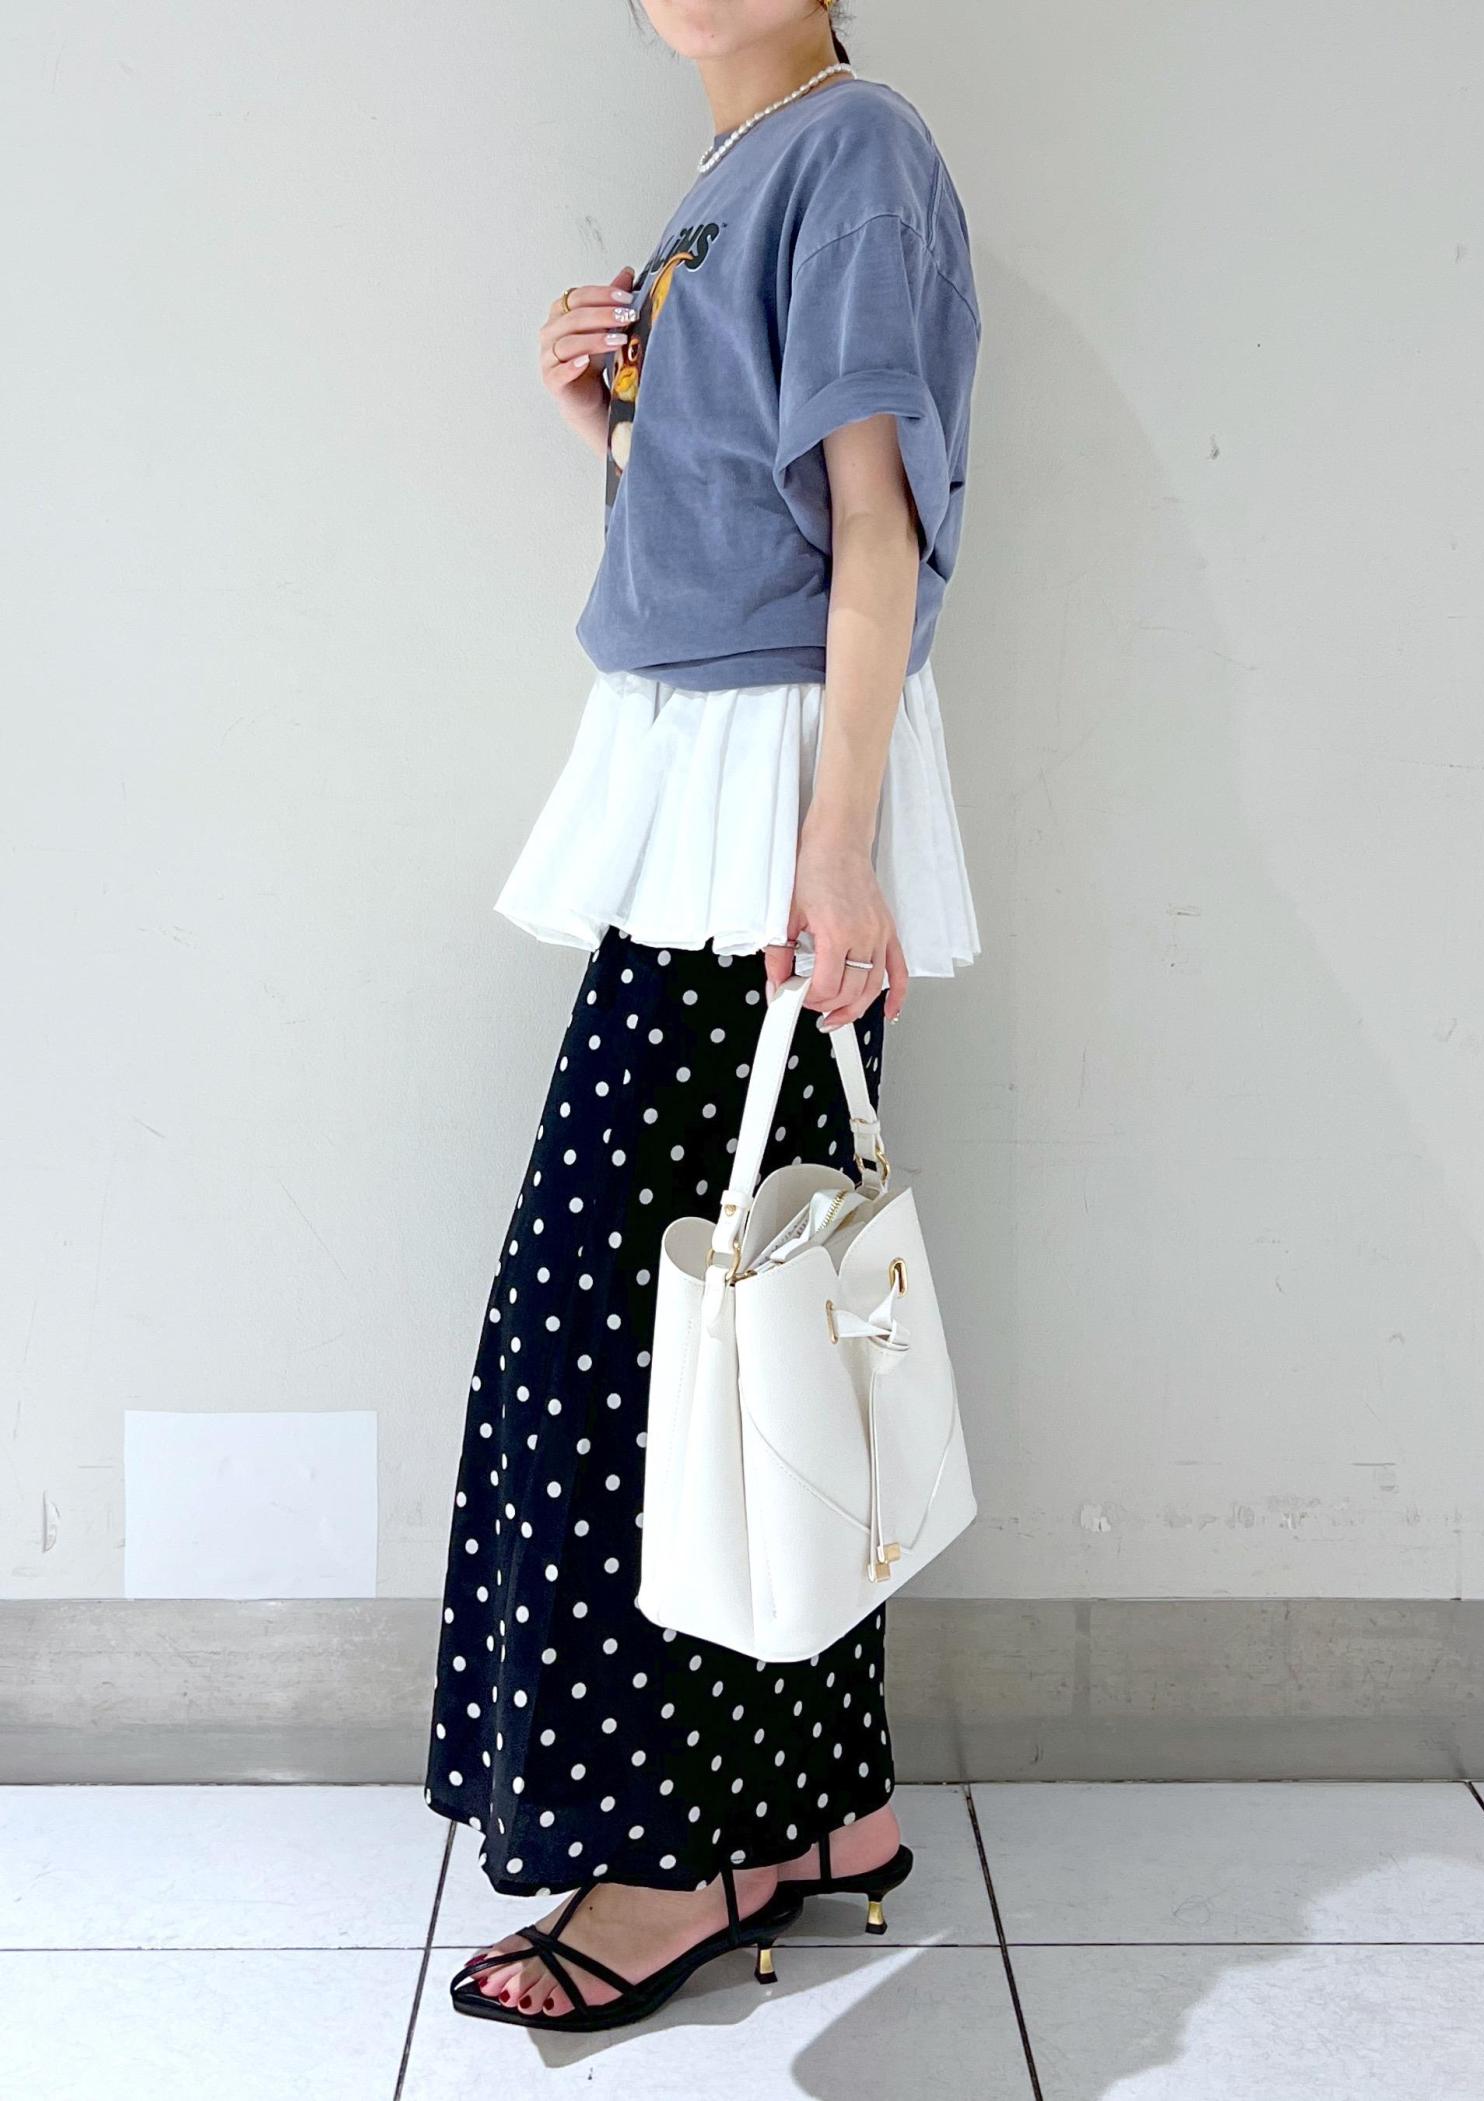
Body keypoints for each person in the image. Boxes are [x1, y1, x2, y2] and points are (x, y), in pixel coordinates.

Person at [426, 0, 983, 2033]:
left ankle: (669, 1865)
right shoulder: (742, 175)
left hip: (770, 816)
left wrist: (834, 853)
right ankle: (822, 1810)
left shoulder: (853, 152)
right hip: (714, 799)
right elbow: (752, 511)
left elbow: (875, 529)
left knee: (635, 1344)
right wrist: (608, 424)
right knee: (757, 1330)